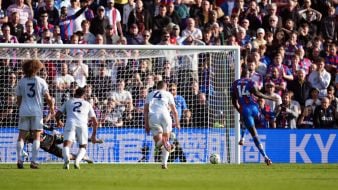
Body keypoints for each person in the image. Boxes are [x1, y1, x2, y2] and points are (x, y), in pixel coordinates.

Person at [231, 68, 278, 166]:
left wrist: (238, 109)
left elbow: (233, 100)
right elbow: (257, 93)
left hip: (245, 110)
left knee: (253, 132)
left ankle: (265, 156)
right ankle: (269, 117)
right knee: (262, 118)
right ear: (248, 75)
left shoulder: (235, 83)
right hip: (254, 107)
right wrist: (270, 98)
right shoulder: (250, 82)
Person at [16, 59, 55, 169]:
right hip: (37, 111)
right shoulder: (41, 81)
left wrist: (21, 108)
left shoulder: (21, 82)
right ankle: (33, 162)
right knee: (37, 136)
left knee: (21, 136)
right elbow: (48, 98)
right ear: (36, 68)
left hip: (24, 111)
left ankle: (19, 160)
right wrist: (52, 109)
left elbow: (18, 100)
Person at [56, 87, 98, 169]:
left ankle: (66, 161)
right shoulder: (87, 104)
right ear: (83, 95)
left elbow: (57, 115)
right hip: (82, 124)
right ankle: (77, 162)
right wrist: (93, 135)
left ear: (75, 93)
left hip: (70, 123)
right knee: (83, 146)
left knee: (66, 144)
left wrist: (58, 122)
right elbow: (95, 122)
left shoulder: (69, 102)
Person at [144, 81, 180, 169]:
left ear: (157, 87)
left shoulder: (150, 94)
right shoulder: (168, 94)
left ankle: (165, 143)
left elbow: (145, 111)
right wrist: (177, 122)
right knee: (166, 142)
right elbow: (174, 111)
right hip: (165, 115)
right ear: (165, 87)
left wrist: (146, 125)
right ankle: (164, 164)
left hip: (154, 116)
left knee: (159, 143)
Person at [23, 124, 102, 163]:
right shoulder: (25, 134)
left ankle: (90, 139)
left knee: (69, 138)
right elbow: (22, 142)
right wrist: (23, 152)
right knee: (65, 156)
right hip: (47, 147)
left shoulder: (34, 124)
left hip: (52, 138)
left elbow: (45, 126)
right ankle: (83, 157)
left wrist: (53, 129)